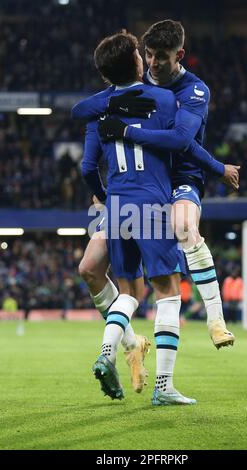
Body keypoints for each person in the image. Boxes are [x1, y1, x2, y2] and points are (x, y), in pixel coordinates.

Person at [73, 20, 238, 350]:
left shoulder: (195, 90)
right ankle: (132, 347)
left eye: (161, 56)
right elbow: (82, 109)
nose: (152, 63)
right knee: (89, 267)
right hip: (140, 185)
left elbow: (180, 141)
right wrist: (117, 104)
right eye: (148, 55)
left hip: (181, 178)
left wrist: (217, 168)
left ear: (179, 55)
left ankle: (216, 319)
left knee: (184, 226)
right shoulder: (138, 83)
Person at [82, 31, 196, 406]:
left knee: (129, 292)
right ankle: (163, 387)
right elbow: (182, 141)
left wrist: (103, 195)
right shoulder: (164, 99)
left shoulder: (99, 108)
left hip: (116, 206)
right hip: (152, 202)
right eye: (139, 53)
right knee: (168, 290)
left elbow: (86, 167)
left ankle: (107, 352)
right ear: (135, 61)